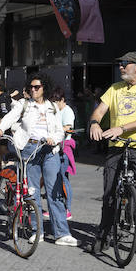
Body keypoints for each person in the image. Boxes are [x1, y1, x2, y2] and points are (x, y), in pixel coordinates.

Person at [89, 51, 136, 260]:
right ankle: (103, 236)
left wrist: (121, 128)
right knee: (109, 194)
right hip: (116, 146)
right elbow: (99, 111)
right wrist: (95, 123)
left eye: (124, 64)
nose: (121, 67)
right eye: (120, 63)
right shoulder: (115, 88)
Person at [0, 74, 76, 246]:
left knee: (54, 191)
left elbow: (60, 130)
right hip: (30, 149)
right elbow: (10, 117)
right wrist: (0, 128)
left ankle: (61, 233)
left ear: (44, 88)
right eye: (31, 87)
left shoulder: (53, 107)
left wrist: (54, 138)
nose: (33, 90)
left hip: (49, 150)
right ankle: (36, 231)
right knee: (31, 192)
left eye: (37, 87)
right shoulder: (24, 105)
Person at [53, 87, 76, 222]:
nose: (55, 104)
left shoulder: (67, 111)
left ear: (62, 100)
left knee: (63, 178)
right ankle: (59, 206)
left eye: (57, 101)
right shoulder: (57, 111)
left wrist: (57, 130)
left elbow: (68, 127)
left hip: (64, 147)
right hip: (56, 146)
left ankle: (67, 209)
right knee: (58, 178)